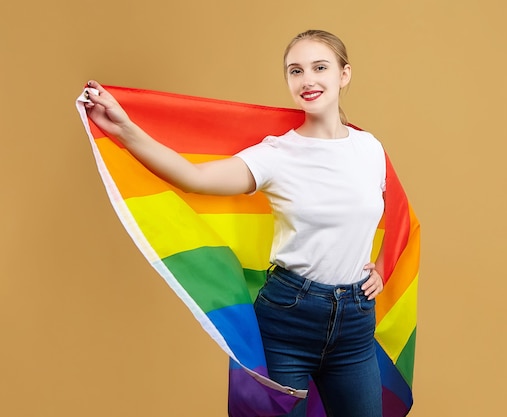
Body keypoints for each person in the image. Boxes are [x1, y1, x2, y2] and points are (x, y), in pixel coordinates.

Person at [84, 29, 386, 417]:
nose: (307, 80)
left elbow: (376, 213)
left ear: (344, 75)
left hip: (355, 325)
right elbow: (195, 178)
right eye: (295, 71)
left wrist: (378, 263)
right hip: (289, 319)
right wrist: (125, 130)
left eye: (320, 67)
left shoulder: (370, 148)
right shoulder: (278, 154)